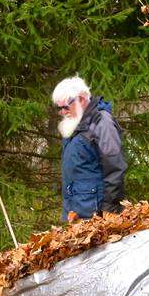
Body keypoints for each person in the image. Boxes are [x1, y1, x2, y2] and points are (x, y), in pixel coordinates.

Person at [51, 76, 126, 221]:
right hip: (76, 211)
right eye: (59, 108)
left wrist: (109, 208)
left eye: (65, 107)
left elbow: (115, 168)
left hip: (96, 213)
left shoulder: (102, 123)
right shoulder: (74, 123)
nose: (62, 112)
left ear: (81, 99)